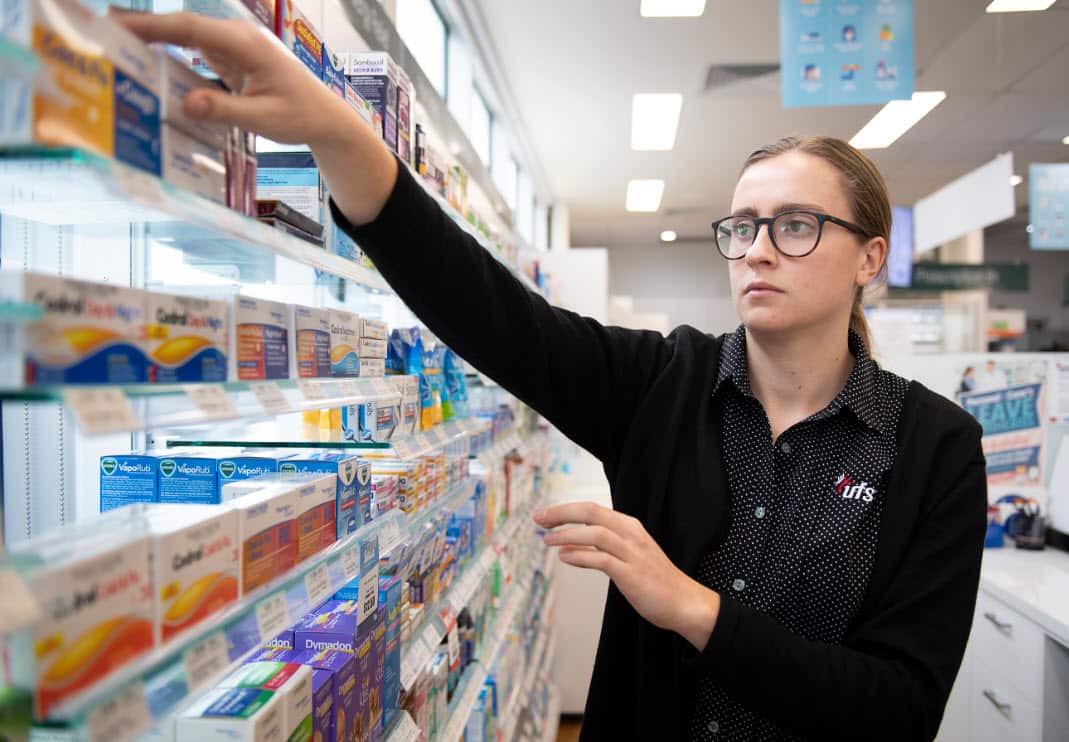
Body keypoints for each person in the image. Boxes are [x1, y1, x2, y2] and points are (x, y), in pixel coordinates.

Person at [115, 12, 988, 740]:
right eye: (743, 225)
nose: (757, 248)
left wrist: (691, 608)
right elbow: (490, 311)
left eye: (796, 225)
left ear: (869, 256)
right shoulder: (662, 384)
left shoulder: (934, 448)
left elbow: (900, 709)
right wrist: (339, 131)